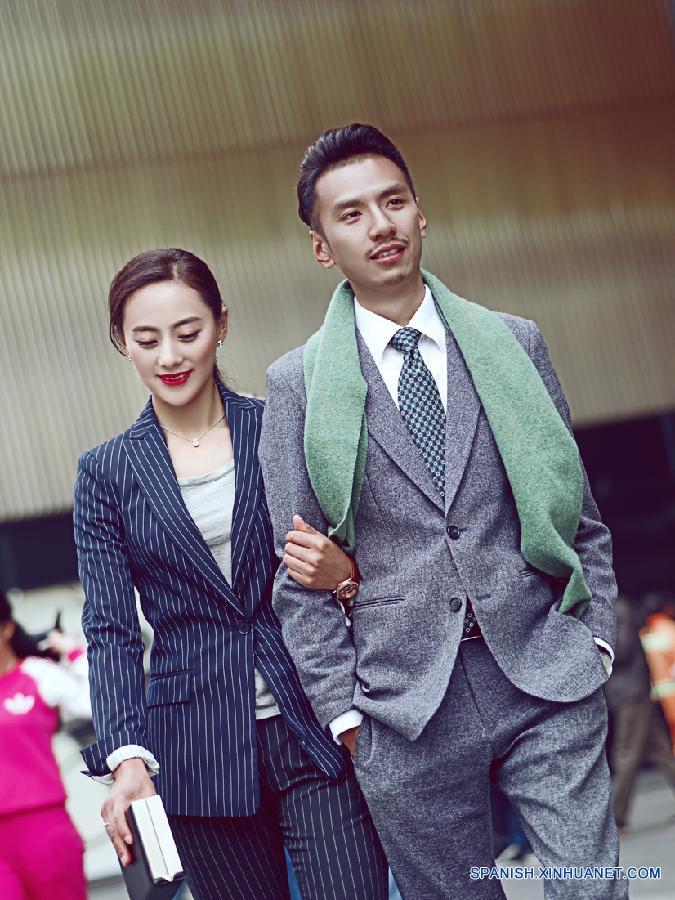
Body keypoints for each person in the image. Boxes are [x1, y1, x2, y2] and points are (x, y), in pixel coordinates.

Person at [259, 123, 623, 899]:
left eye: (394, 202)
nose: (380, 224)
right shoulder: (297, 385)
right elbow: (297, 577)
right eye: (351, 213)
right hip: (401, 707)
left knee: (588, 889)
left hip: (543, 673)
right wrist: (346, 717)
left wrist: (593, 641)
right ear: (321, 246)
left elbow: (579, 517)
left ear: (420, 214)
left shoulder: (512, 343)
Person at [73, 248, 388, 900]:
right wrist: (126, 752)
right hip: (195, 752)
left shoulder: (282, 427)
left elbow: (368, 554)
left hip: (316, 725)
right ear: (120, 344)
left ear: (221, 324)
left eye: (187, 333)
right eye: (147, 339)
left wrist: (344, 574)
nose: (170, 356)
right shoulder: (105, 474)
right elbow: (110, 629)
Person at [0, 590, 89, 900]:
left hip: (44, 831)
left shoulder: (37, 674)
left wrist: (75, 654)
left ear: (6, 628)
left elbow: (97, 703)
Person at [604, 594, 675, 829]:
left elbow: (620, 650)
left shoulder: (616, 607)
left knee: (625, 754)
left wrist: (593, 647)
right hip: (630, 692)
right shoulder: (612, 606)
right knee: (661, 752)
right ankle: (618, 817)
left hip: (630, 694)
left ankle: (616, 818)